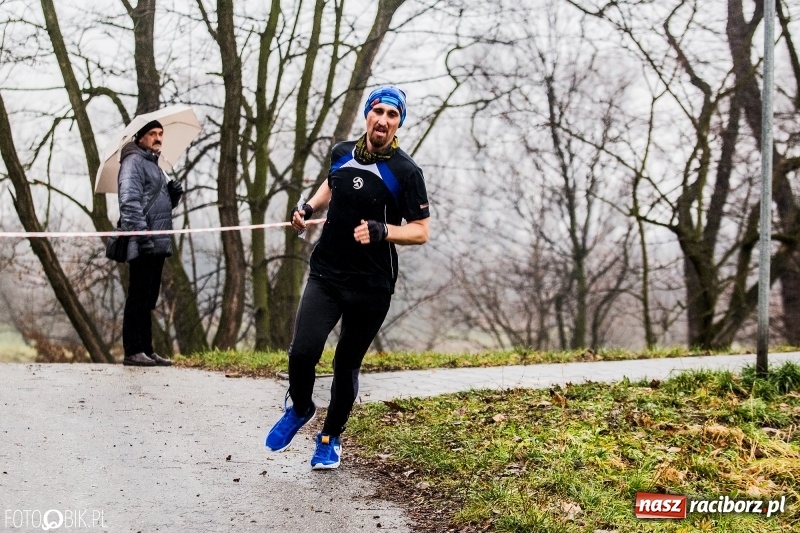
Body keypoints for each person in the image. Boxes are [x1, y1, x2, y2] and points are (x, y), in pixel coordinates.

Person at [265, 86, 430, 469]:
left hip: (372, 285)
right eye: (379, 112)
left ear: (398, 123)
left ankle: (329, 438)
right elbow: (331, 183)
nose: (384, 120)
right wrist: (307, 206)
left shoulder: (406, 172)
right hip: (327, 273)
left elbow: (421, 230)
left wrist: (383, 230)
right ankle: (302, 407)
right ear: (368, 116)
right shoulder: (342, 152)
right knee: (302, 351)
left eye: (393, 115)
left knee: (345, 364)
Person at [118, 119, 184, 367]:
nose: (158, 138)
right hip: (143, 239)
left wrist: (173, 196)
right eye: (152, 134)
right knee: (137, 295)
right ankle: (133, 350)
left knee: (149, 297)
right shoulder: (133, 162)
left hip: (157, 239)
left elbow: (157, 205)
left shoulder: (155, 165)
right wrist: (141, 235)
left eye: (160, 133)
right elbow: (130, 201)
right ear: (140, 137)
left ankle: (146, 348)